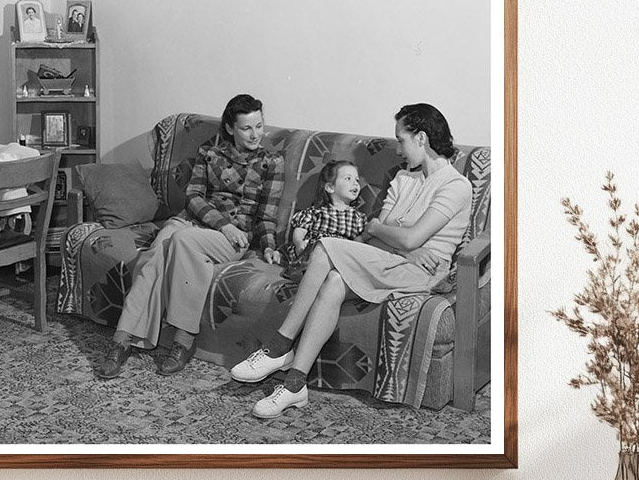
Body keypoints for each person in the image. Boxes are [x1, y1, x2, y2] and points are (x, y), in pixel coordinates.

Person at [230, 103, 473, 419]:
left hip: (421, 274)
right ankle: (294, 385)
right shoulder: (403, 178)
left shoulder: (456, 185)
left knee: (327, 247)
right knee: (333, 281)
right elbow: (377, 235)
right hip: (389, 260)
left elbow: (399, 234)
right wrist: (392, 233)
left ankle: (279, 345)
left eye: (401, 140)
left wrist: (388, 230)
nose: (398, 149)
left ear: (421, 138)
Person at [95, 93, 285, 379]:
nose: (255, 134)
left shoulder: (272, 162)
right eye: (247, 127)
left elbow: (267, 216)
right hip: (198, 223)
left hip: (234, 237)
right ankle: (121, 341)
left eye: (259, 126)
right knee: (155, 254)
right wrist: (221, 223)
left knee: (182, 242)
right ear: (231, 128)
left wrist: (268, 247)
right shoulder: (210, 151)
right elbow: (193, 196)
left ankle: (184, 341)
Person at [282, 160, 367, 281]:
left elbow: (358, 243)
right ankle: (300, 270)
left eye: (357, 180)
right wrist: (299, 242)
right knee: (314, 252)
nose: (355, 183)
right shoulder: (317, 212)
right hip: (315, 250)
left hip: (339, 254)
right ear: (330, 187)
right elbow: (300, 230)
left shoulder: (357, 218)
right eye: (348, 178)